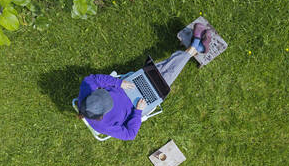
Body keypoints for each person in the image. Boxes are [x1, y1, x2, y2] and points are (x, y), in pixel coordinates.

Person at [78, 23, 211, 140]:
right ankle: (196, 46)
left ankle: (196, 47)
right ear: (101, 115)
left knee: (156, 71)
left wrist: (119, 83)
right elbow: (130, 134)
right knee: (166, 75)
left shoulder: (86, 93)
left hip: (127, 85)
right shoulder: (103, 126)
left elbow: (92, 79)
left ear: (91, 96)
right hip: (138, 103)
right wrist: (138, 111)